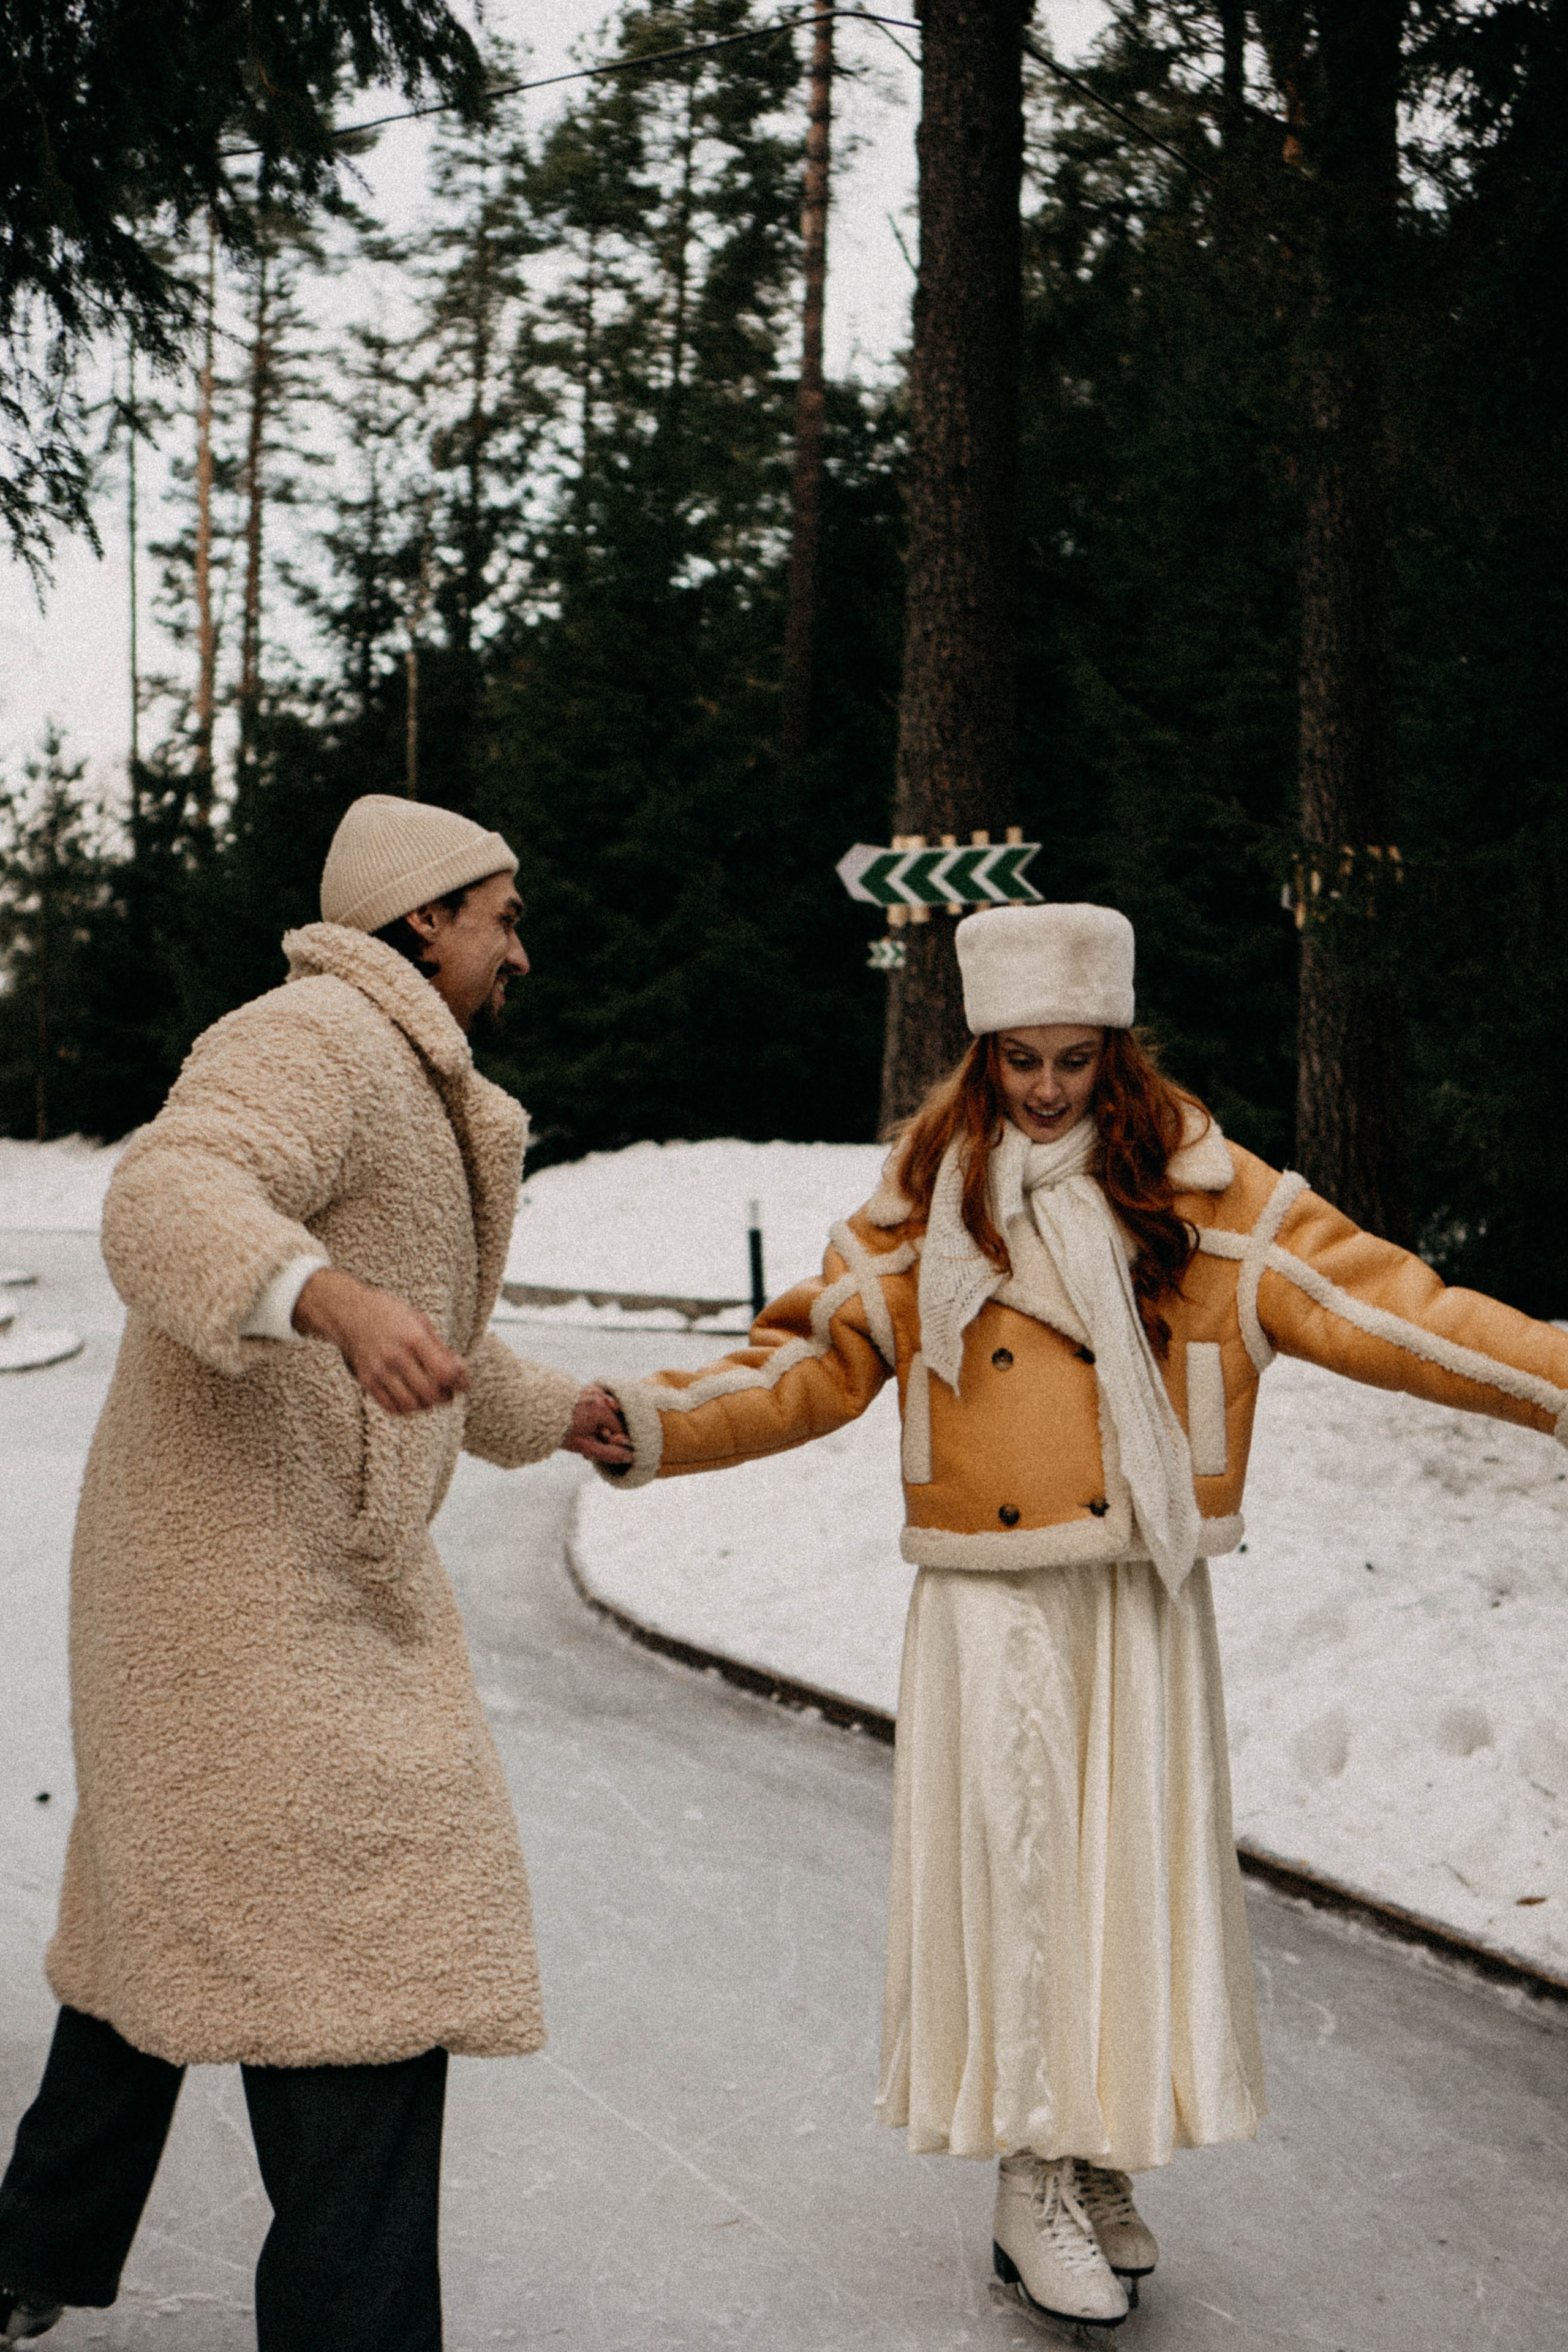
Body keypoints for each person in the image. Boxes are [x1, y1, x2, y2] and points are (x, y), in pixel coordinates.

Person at [595, 900, 1568, 2331]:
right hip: (991, 1605)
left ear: (1116, 1052)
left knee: (1124, 1875)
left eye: (1073, 1059)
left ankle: (1096, 2150)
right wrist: (641, 1419)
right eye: (1018, 1060)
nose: (1045, 1088)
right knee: (1026, 1880)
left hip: (1135, 1594)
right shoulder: (920, 1206)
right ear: (978, 1055)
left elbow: (1395, 1309)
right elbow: (799, 1361)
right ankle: (1028, 2175)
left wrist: (1554, 1373)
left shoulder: (1208, 1195)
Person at [0, 794, 631, 2352]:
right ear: (423, 918)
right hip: (237, 1591)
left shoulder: (404, 1076)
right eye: (501, 913)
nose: (519, 947)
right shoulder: (313, 1037)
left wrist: (563, 1412)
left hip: (275, 1575)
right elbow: (164, 1196)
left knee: (176, 1917)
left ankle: (28, 2248)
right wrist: (322, 1296)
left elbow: (427, 1345)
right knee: (360, 1960)